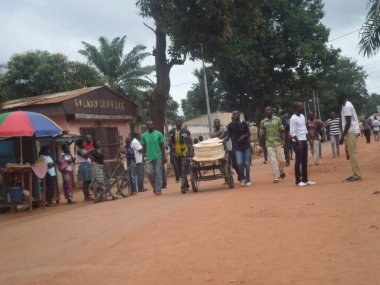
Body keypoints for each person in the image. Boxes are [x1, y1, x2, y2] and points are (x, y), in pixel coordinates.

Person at [336, 93, 362, 182]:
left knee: (352, 154)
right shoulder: (345, 105)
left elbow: (348, 122)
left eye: (338, 98)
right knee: (351, 153)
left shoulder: (346, 106)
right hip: (351, 131)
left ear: (342, 97)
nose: (337, 100)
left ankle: (357, 175)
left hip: (351, 132)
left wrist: (342, 136)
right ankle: (355, 174)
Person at [289, 102, 316, 187]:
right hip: (297, 142)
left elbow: (305, 130)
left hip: (304, 140)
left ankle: (305, 179)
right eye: (301, 107)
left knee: (305, 161)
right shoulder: (293, 118)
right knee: (298, 161)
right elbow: (292, 132)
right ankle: (298, 181)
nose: (303, 108)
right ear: (296, 108)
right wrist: (299, 143)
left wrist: (309, 140)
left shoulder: (302, 116)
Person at [224, 110, 251, 186]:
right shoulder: (230, 125)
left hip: (246, 146)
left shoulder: (244, 123)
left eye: (236, 114)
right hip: (237, 147)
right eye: (233, 114)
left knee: (247, 163)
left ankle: (248, 179)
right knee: (239, 163)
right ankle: (242, 178)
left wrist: (244, 136)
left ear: (239, 114)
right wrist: (223, 140)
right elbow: (228, 136)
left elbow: (249, 133)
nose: (235, 115)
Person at [260, 106, 286, 183]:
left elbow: (282, 130)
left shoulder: (277, 119)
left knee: (282, 160)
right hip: (269, 144)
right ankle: (276, 176)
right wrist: (262, 145)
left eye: (269, 110)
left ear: (272, 111)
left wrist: (283, 140)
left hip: (278, 143)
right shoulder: (263, 122)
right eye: (266, 110)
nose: (267, 111)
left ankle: (281, 170)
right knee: (273, 160)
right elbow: (261, 134)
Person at [141, 121, 166, 195]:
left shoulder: (158, 134)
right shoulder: (144, 135)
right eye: (148, 125)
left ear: (153, 126)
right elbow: (143, 147)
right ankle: (155, 186)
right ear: (146, 127)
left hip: (158, 157)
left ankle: (158, 189)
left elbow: (162, 146)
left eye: (150, 125)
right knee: (150, 173)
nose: (149, 126)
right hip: (149, 158)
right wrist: (142, 157)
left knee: (158, 173)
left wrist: (164, 156)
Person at [168, 118, 192, 193]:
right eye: (177, 121)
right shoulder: (171, 132)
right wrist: (170, 150)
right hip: (175, 153)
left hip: (184, 152)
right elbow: (169, 141)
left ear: (182, 123)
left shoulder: (186, 132)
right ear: (175, 122)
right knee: (179, 170)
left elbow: (190, 142)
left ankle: (183, 186)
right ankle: (186, 184)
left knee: (183, 169)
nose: (178, 123)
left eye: (179, 121)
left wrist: (190, 151)